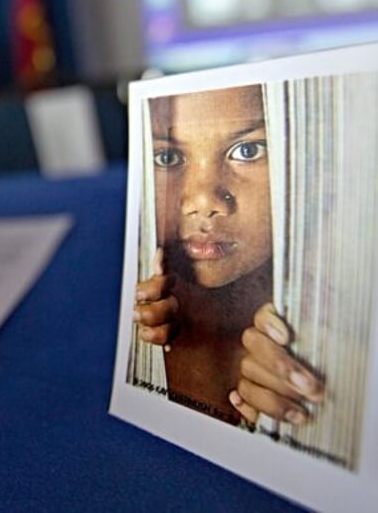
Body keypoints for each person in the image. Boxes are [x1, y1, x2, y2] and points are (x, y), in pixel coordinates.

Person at [133, 85, 325, 426]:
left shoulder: (330, 317)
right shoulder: (138, 316)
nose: (203, 202)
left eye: (248, 150)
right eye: (167, 158)